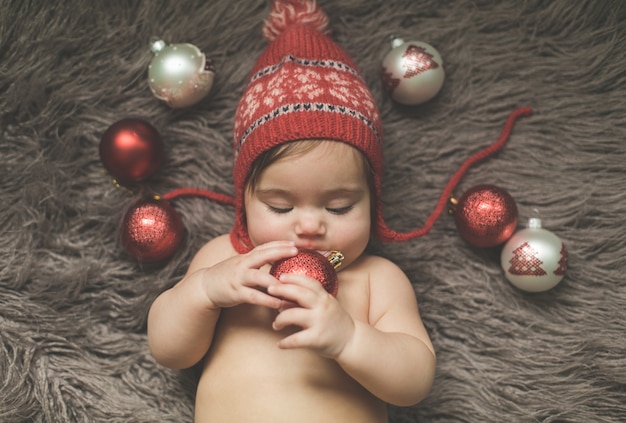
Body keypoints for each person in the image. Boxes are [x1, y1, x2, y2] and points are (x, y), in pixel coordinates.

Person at [147, 0, 436, 421]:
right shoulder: (225, 261)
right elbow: (169, 351)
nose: (308, 225)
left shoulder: (377, 279)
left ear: (373, 198)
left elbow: (414, 383)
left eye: (339, 206)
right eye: (280, 205)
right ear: (244, 199)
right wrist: (204, 293)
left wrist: (351, 339)